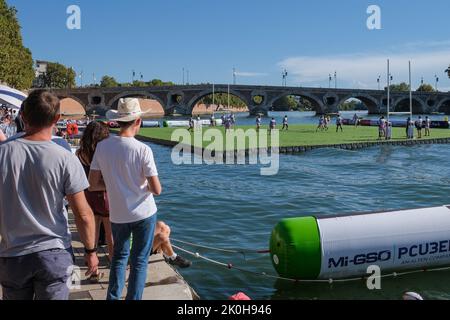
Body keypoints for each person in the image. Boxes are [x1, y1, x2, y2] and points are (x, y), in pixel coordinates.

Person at [0, 90, 98, 300]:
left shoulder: (3, 153)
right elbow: (83, 215)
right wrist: (91, 251)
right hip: (54, 252)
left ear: (23, 117)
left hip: (13, 254)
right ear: (57, 119)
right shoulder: (65, 158)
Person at [89, 98, 162, 301]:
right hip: (144, 212)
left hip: (118, 213)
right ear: (137, 121)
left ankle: (112, 297)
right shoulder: (143, 150)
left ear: (118, 121)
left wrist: (113, 186)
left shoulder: (103, 147)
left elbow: (93, 184)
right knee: (139, 261)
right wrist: (139, 187)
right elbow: (156, 189)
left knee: (119, 259)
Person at [76, 122, 114, 273]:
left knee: (93, 234)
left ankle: (94, 268)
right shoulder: (104, 153)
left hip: (87, 196)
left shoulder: (80, 153)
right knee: (111, 236)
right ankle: (114, 263)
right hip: (104, 196)